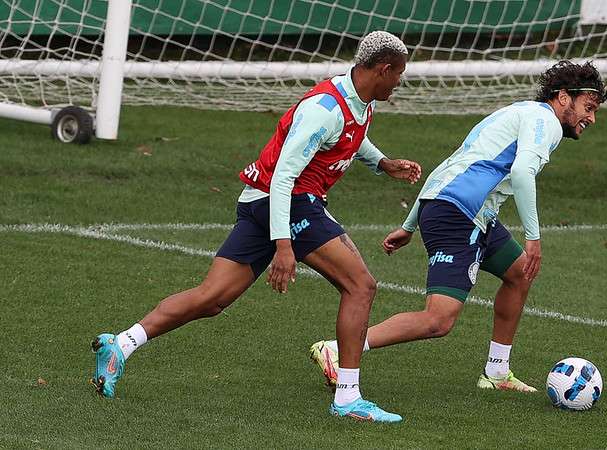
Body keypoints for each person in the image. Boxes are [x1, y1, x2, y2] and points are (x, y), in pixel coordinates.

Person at [91, 31, 421, 424]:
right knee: (360, 285)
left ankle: (121, 344)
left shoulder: (357, 101)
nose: (400, 81)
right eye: (399, 74)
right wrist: (284, 246)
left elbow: (349, 136)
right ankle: (348, 397)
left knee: (212, 298)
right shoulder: (324, 109)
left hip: (259, 201)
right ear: (383, 70)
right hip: (288, 201)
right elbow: (284, 176)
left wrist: (382, 163)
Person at [311, 60, 607, 394]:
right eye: (589, 107)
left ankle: (496, 372)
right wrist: (533, 238)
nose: (591, 118)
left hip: (459, 211)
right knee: (438, 320)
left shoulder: (519, 113)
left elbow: (451, 166)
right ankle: (338, 349)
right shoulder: (546, 122)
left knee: (520, 273)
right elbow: (523, 173)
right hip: (459, 215)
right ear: (564, 97)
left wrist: (410, 225)